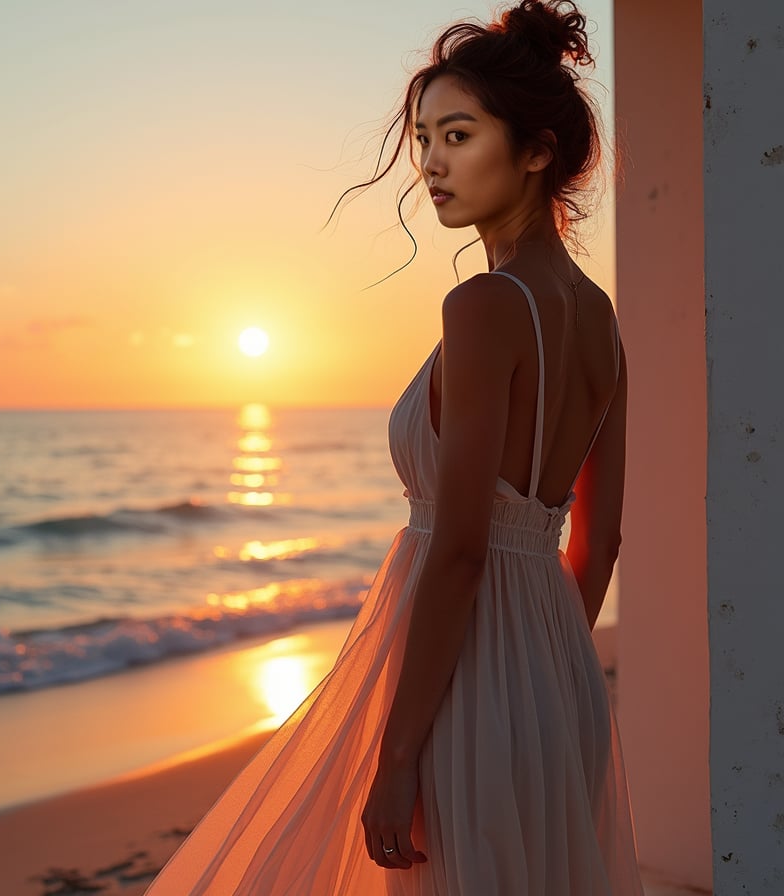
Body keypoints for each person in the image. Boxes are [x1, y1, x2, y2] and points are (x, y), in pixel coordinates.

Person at [145, 1, 644, 893]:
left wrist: (402, 752)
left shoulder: (485, 309)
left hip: (467, 673)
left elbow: (457, 551)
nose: (431, 164)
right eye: (424, 139)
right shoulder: (603, 324)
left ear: (536, 152)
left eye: (458, 134)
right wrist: (542, 663)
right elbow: (597, 543)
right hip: (556, 666)